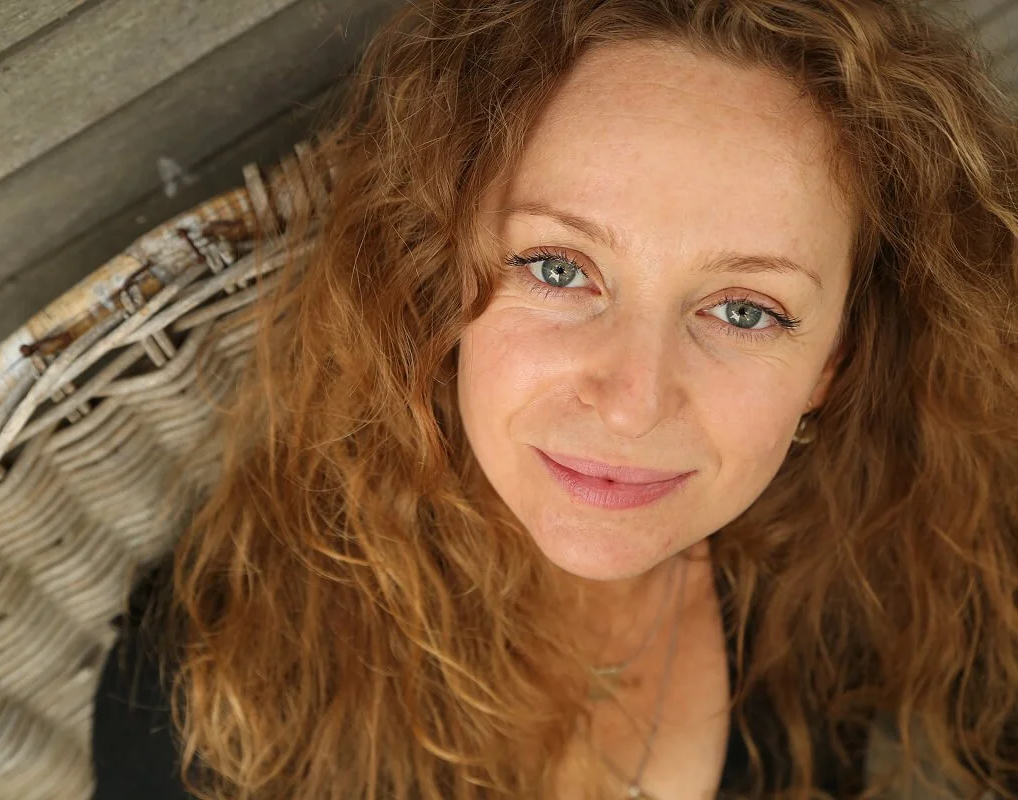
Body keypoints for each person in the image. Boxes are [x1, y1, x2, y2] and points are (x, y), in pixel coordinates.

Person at [91, 1, 1018, 798]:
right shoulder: (215, 680)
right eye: (558, 266)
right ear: (435, 273)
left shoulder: (876, 559)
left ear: (831, 367)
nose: (631, 401)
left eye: (745, 308)